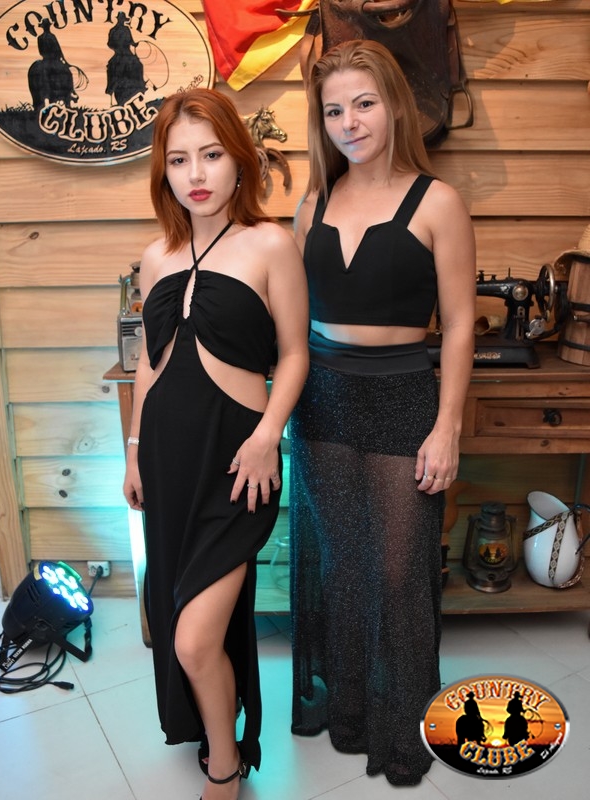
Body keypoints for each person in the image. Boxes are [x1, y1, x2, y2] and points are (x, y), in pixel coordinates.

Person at [289, 39, 476, 786]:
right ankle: (350, 714)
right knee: (343, 565)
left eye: (363, 104)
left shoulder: (438, 203)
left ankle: (402, 730)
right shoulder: (312, 204)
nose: (349, 123)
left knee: (398, 573)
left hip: (404, 397)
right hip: (322, 400)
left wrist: (447, 425)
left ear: (395, 103)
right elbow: (289, 319)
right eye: (334, 110)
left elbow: (458, 324)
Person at [123, 87, 309, 800]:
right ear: (163, 171)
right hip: (168, 461)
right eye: (178, 160)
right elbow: (149, 362)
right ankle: (212, 722)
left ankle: (226, 769)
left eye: (210, 155)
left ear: (239, 160)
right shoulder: (156, 257)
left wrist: (268, 437)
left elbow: (294, 355)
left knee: (195, 637)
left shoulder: (270, 244)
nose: (195, 174)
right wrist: (134, 449)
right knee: (178, 613)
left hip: (238, 464)